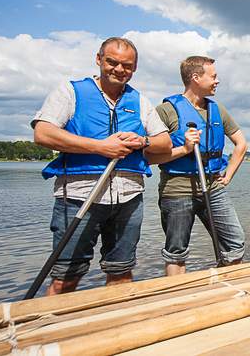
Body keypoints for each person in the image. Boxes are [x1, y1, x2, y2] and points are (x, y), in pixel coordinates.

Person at [32, 37, 171, 295]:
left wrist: (143, 140)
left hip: (128, 197)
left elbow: (164, 144)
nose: (119, 69)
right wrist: (100, 147)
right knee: (66, 277)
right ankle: (49, 328)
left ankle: (114, 328)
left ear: (134, 68)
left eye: (127, 65)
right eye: (112, 62)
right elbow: (43, 133)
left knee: (121, 273)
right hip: (78, 196)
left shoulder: (139, 101)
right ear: (99, 60)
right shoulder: (71, 91)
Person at [145, 56, 247, 276]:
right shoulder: (165, 111)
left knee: (235, 244)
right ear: (195, 77)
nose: (217, 81)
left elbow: (241, 143)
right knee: (177, 251)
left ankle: (225, 290)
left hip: (213, 187)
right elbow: (148, 158)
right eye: (213, 76)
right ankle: (178, 299)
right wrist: (184, 149)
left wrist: (228, 175)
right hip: (178, 189)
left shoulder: (216, 109)